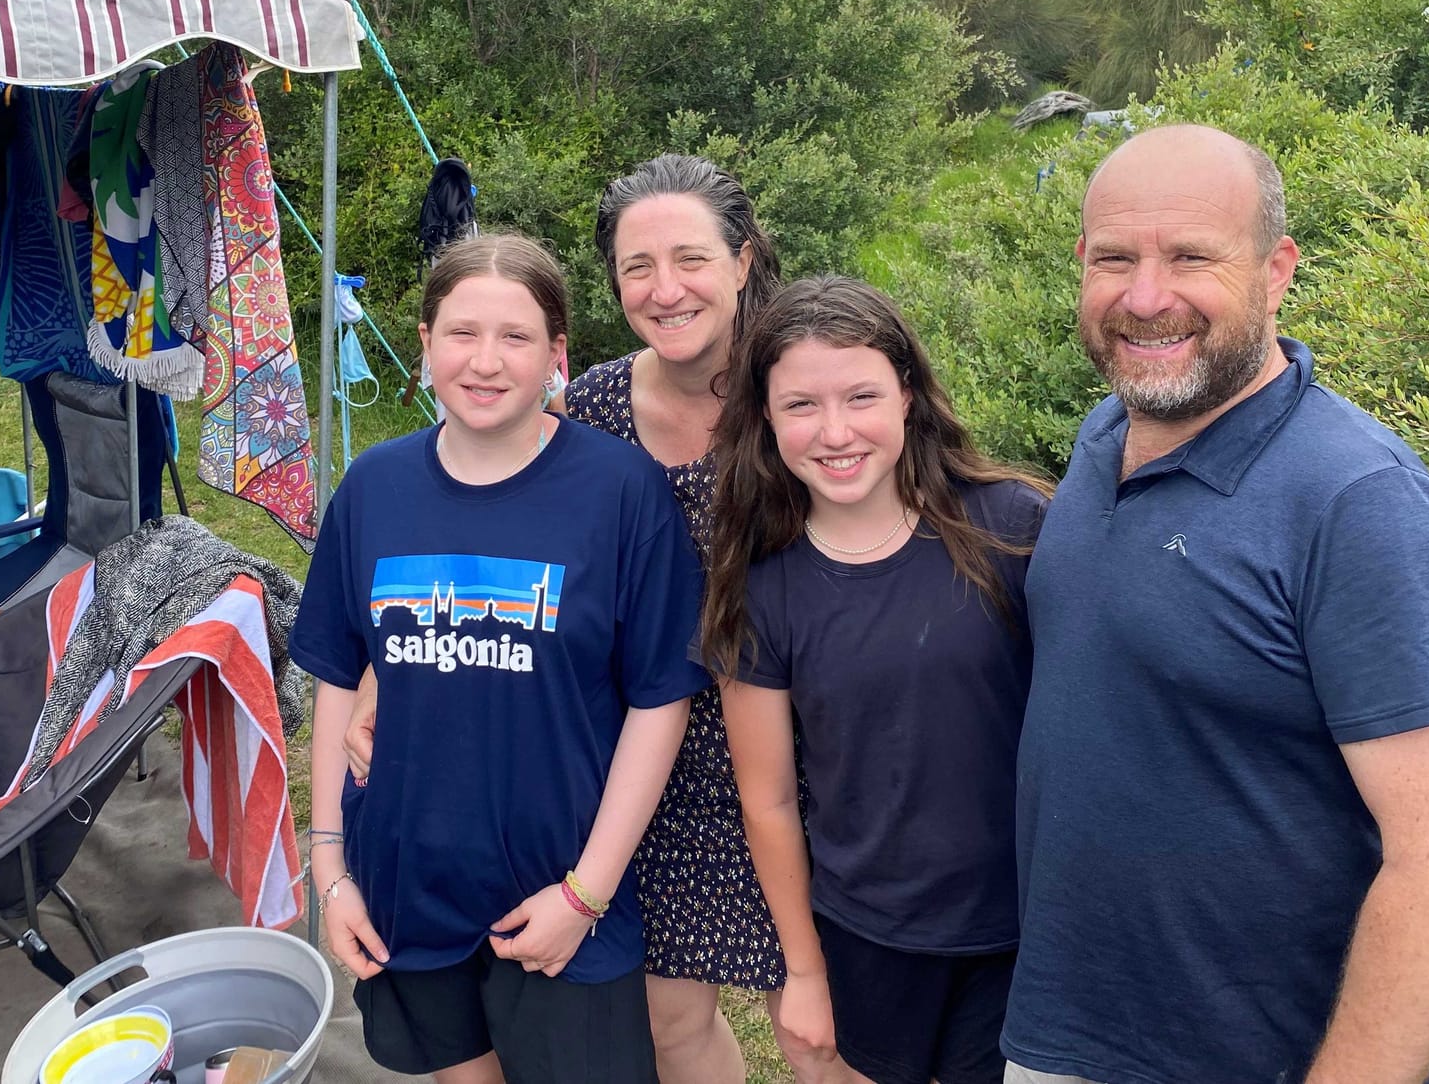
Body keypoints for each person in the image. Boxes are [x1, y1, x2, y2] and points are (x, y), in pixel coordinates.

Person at [1001, 124, 1429, 1084]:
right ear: (1082, 262)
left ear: (1277, 270)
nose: (1145, 297)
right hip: (1066, 1029)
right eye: (1116, 257)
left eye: (1191, 256)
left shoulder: (1360, 501)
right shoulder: (1107, 433)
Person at [347, 154, 855, 1084]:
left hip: (803, 751)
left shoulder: (803, 394)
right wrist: (388, 665)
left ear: (744, 261)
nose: (666, 291)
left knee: (822, 1027)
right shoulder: (594, 406)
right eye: (636, 267)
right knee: (667, 1020)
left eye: (691, 259)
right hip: (631, 761)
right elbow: (481, 536)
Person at [289, 232, 707, 1084]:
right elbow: (337, 679)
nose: (485, 362)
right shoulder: (373, 488)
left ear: (557, 354)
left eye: (515, 337)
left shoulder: (622, 492)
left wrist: (585, 894)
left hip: (558, 898)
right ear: (424, 344)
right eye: (461, 333)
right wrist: (331, 871)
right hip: (406, 885)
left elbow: (661, 701)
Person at [703, 275, 1050, 1084]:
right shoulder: (761, 582)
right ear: (763, 418)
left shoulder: (1013, 528)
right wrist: (805, 972)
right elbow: (770, 798)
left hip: (1022, 934)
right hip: (865, 936)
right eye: (800, 406)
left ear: (907, 395)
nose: (834, 432)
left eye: (860, 396)